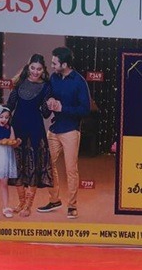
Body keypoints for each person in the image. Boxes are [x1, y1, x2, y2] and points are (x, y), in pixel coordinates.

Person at [37, 46, 91, 219]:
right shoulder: (54, 78)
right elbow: (48, 99)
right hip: (54, 129)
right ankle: (54, 199)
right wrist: (49, 101)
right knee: (46, 163)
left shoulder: (79, 82)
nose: (51, 65)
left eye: (54, 62)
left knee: (71, 170)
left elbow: (85, 109)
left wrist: (63, 107)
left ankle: (72, 205)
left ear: (65, 64)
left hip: (71, 131)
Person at [7, 54, 53, 217]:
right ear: (28, 67)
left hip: (35, 128)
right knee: (17, 165)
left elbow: (46, 114)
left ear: (43, 70)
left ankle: (28, 205)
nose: (35, 71)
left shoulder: (47, 86)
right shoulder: (19, 83)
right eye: (33, 68)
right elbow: (10, 106)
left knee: (34, 166)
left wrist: (50, 103)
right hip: (17, 126)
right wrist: (0, 117)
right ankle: (20, 202)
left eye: (39, 69)